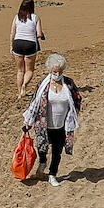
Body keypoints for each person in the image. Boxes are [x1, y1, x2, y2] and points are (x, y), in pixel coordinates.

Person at [22, 53, 82, 187]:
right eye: (55, 71)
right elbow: (34, 103)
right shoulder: (43, 85)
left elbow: (77, 98)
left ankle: (52, 174)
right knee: (42, 147)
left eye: (60, 71)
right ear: (50, 70)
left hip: (62, 125)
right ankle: (42, 162)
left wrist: (73, 113)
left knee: (57, 151)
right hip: (44, 124)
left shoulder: (69, 83)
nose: (58, 74)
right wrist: (27, 122)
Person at [10, 0, 45, 100]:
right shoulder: (35, 18)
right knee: (29, 70)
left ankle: (19, 92)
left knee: (20, 70)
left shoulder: (17, 17)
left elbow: (12, 33)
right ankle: (25, 85)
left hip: (18, 43)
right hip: (30, 44)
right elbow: (39, 34)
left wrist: (11, 46)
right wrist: (41, 35)